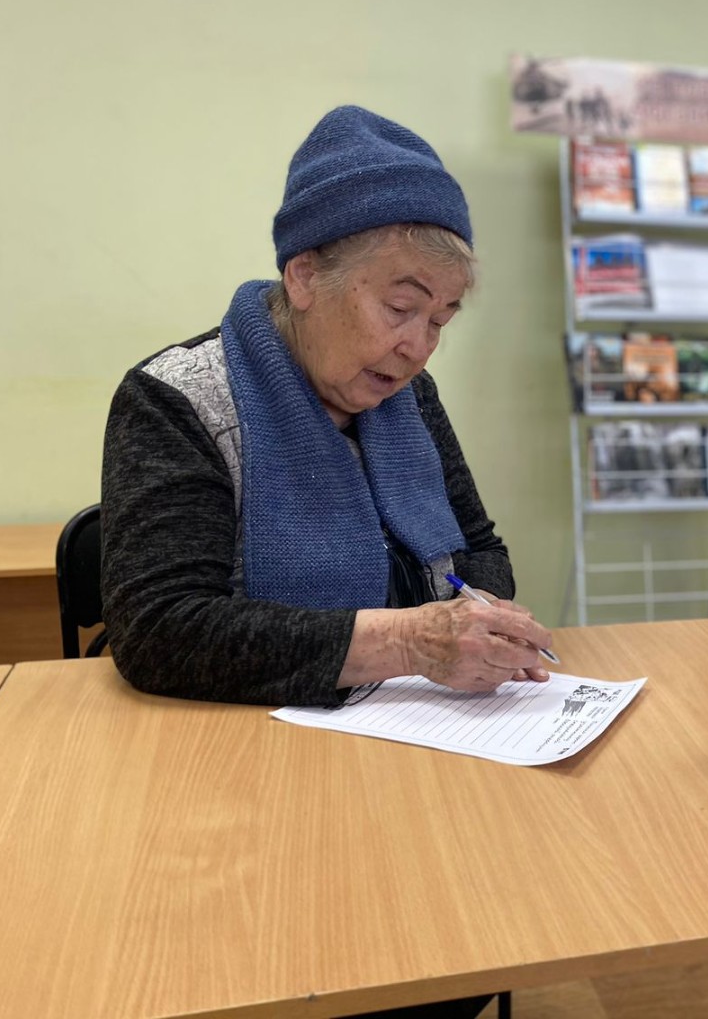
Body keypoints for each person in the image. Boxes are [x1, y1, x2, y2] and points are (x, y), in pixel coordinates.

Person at [101, 106, 549, 1017]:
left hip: (415, 762)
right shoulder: (175, 399)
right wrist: (414, 641)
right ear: (304, 275)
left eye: (442, 319)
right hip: (236, 788)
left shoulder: (410, 399)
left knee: (458, 954)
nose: (418, 347)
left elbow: (481, 549)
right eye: (400, 307)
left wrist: (476, 613)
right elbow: (158, 632)